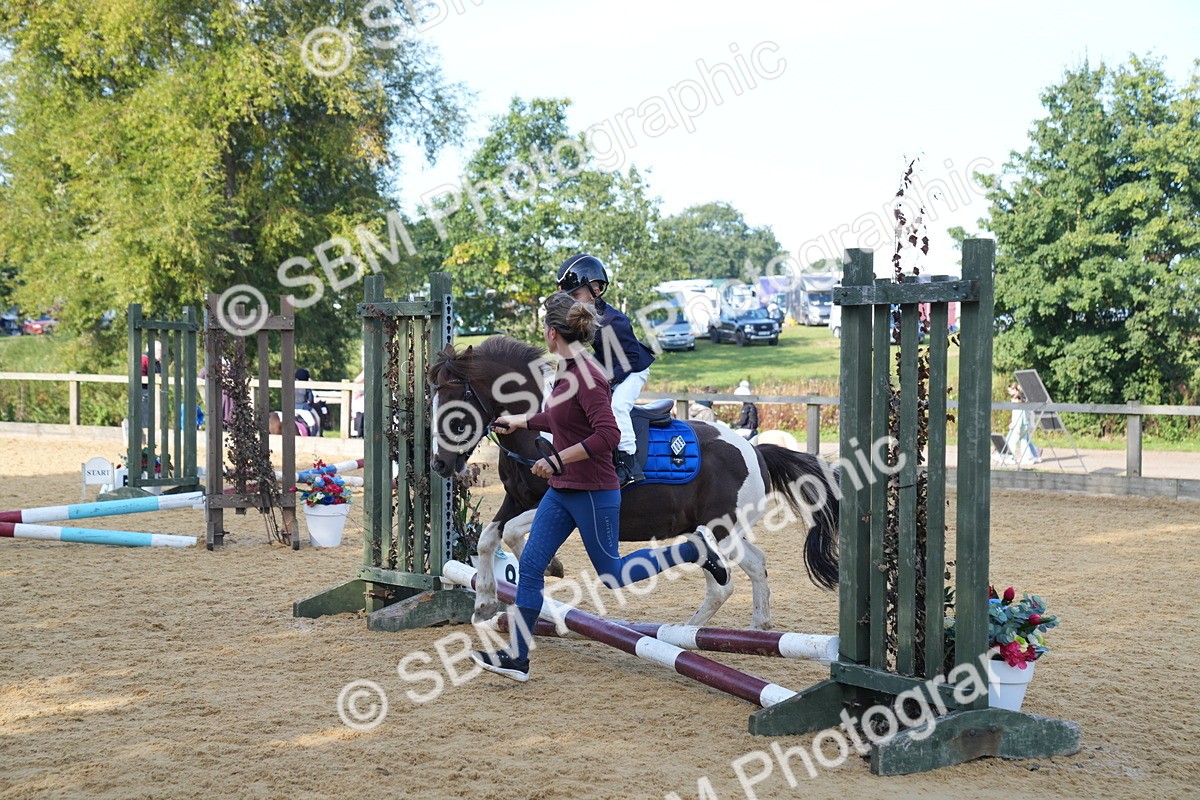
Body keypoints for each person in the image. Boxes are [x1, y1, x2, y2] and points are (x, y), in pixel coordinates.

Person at [469, 292, 731, 682]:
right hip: (563, 489)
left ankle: (694, 548)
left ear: (553, 332)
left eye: (544, 327)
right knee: (532, 566)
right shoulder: (565, 368)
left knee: (612, 575)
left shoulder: (588, 377)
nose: (542, 333)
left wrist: (557, 459)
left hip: (593, 489)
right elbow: (561, 418)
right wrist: (523, 422)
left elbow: (607, 434)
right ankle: (518, 658)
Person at [556, 253, 655, 487]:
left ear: (596, 291)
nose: (572, 301)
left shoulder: (614, 320)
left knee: (617, 406)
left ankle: (629, 463)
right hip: (614, 368)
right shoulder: (588, 316)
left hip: (634, 370)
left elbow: (630, 357)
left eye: (576, 295)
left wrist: (607, 381)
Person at [1004, 382, 1041, 465]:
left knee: (1013, 441)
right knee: (1024, 441)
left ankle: (1011, 457)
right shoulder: (1022, 401)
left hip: (1019, 425)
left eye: (1010, 391)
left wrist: (1016, 426)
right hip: (1024, 424)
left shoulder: (1018, 403)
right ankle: (1027, 457)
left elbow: (1018, 416)